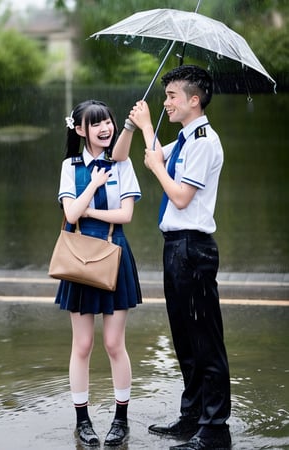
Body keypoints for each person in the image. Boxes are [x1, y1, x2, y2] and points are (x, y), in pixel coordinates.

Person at [113, 65, 231, 450]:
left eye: (172, 97)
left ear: (193, 100)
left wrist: (156, 163)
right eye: (165, 97)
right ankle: (192, 416)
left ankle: (214, 429)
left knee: (205, 339)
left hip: (194, 248)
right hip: (176, 248)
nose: (166, 103)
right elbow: (145, 156)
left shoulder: (203, 142)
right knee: (184, 337)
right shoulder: (183, 139)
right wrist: (140, 126)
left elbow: (180, 196)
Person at [55, 99, 142, 447]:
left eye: (108, 121)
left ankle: (120, 420)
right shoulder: (70, 166)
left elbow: (126, 216)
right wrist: (92, 185)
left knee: (113, 343)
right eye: (96, 124)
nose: (105, 128)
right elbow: (71, 214)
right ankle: (83, 421)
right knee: (83, 344)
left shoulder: (122, 163)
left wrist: (90, 209)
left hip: (115, 253)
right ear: (80, 130)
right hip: (78, 257)